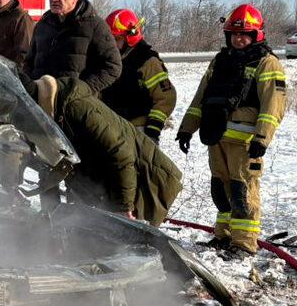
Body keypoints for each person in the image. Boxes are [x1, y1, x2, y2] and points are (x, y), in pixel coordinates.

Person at [176, 3, 286, 258]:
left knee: (242, 191)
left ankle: (244, 244)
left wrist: (262, 138)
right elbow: (201, 97)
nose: (238, 39)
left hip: (246, 143)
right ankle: (223, 235)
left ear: (256, 35)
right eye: (234, 34)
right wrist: (186, 129)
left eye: (244, 34)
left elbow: (274, 105)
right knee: (220, 190)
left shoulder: (267, 63)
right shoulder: (221, 60)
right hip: (217, 138)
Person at [27, 74, 182, 225]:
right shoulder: (47, 116)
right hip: (102, 186)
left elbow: (121, 154)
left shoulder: (77, 108)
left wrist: (123, 208)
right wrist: (50, 213)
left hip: (141, 181)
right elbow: (49, 165)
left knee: (124, 244)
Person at [24, 0, 121, 94]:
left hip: (74, 106)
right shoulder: (43, 25)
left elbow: (113, 67)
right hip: (40, 102)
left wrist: (80, 91)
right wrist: (31, 87)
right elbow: (28, 62)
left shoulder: (94, 26)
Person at [100, 9, 176, 143]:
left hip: (139, 132)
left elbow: (166, 97)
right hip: (112, 129)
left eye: (117, 39)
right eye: (109, 38)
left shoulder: (147, 61)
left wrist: (152, 129)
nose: (112, 44)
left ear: (131, 36)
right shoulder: (109, 61)